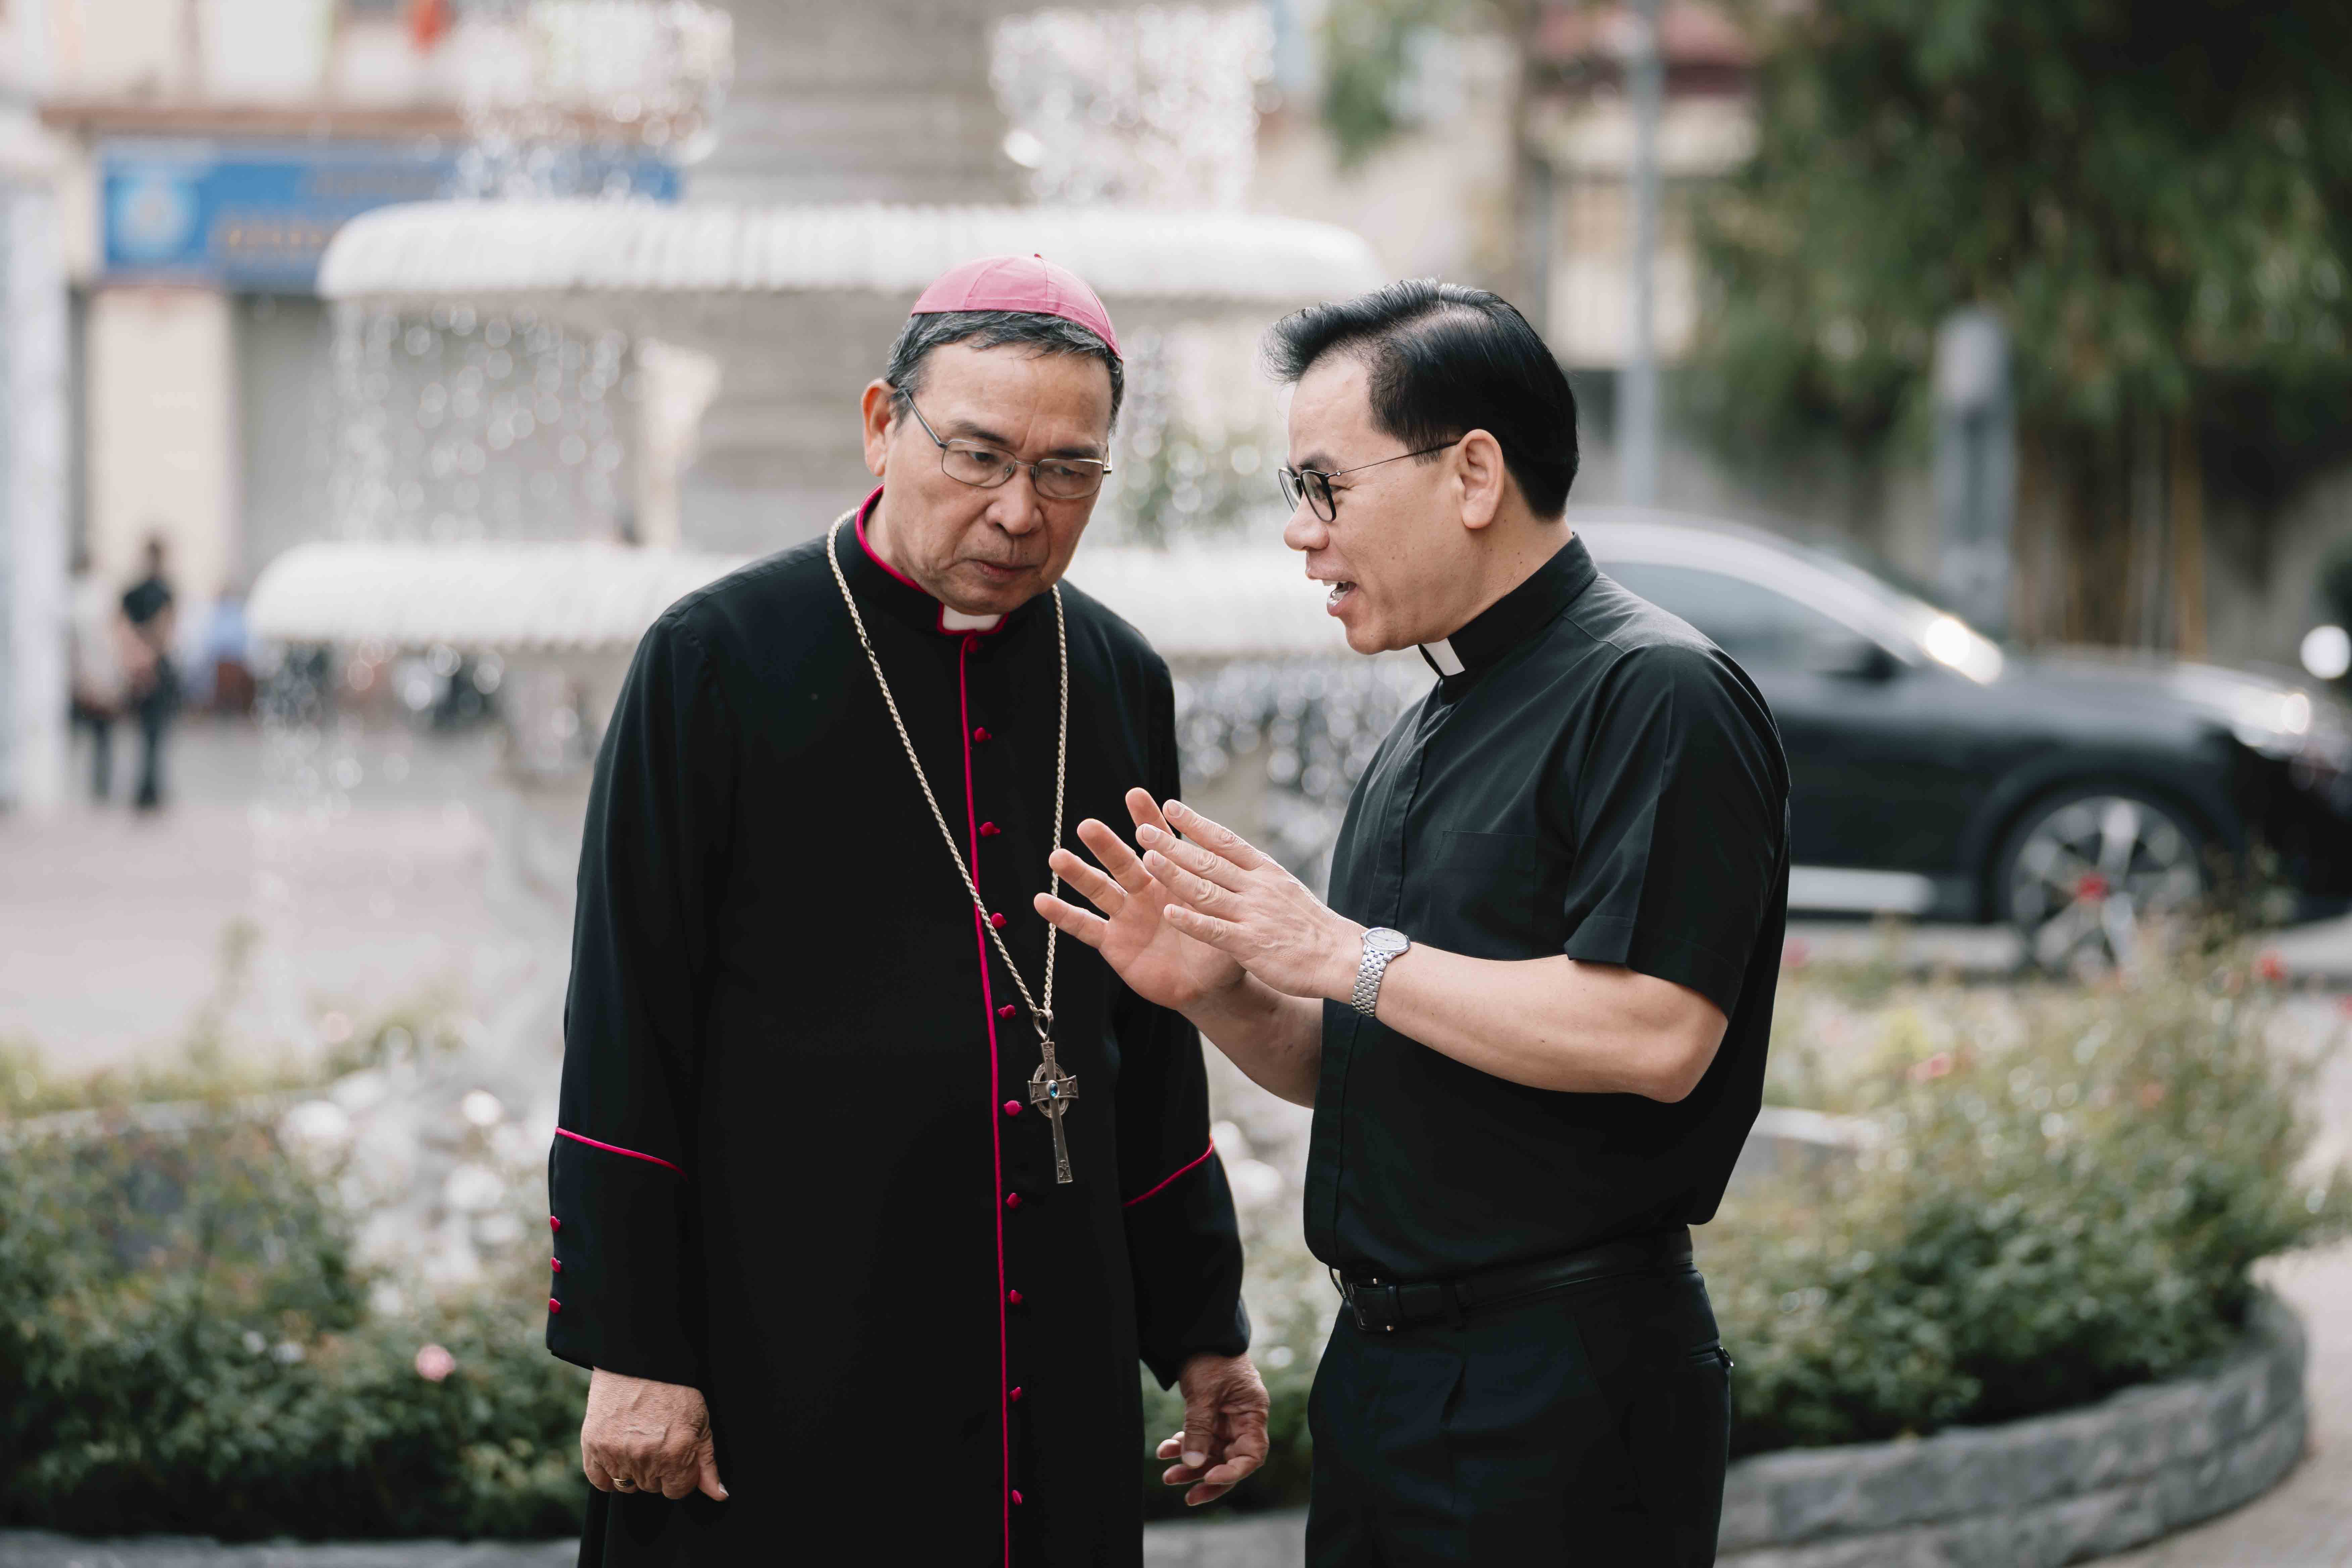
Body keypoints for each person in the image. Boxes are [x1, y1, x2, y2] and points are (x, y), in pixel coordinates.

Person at [1037, 280, 1790, 1566]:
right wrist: (1220, 987)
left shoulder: (1656, 690)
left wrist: (1340, 950)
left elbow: (1656, 1033)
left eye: (1325, 487)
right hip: (1386, 1377)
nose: (1300, 533)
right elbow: (1364, 1060)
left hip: (1559, 1387)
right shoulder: (1429, 718)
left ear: (1473, 474)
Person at [549, 254, 1268, 1567]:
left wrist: (1202, 1326)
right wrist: (633, 1344)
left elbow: (1148, 1038)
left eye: (1069, 472)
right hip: (789, 1341)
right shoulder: (714, 661)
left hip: (1054, 1346)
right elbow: (623, 1024)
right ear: (883, 423)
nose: (1019, 511)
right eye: (978, 455)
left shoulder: (1117, 674)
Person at [120, 535, 180, 811]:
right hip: (154, 667)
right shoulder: (164, 592)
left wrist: (137, 655)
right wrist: (149, 656)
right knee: (154, 733)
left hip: (139, 666)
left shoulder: (133, 593)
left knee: (147, 734)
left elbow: (123, 628)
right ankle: (150, 789)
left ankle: (147, 788)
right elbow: (164, 630)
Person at [67, 549, 131, 802]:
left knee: (98, 734)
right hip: (98, 675)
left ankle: (99, 785)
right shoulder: (93, 597)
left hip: (95, 675)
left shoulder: (83, 596)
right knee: (101, 735)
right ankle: (100, 785)